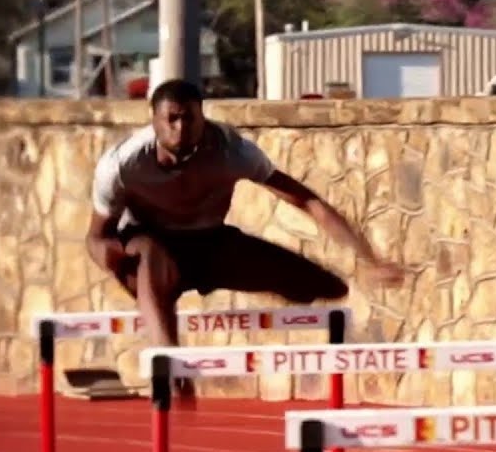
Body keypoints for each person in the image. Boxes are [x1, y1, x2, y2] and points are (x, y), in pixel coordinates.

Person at [86, 78, 404, 397]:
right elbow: (96, 238)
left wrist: (369, 258)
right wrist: (108, 257)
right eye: (172, 119)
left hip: (210, 245)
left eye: (189, 119)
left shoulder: (231, 150)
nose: (181, 129)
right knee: (148, 254)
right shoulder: (122, 165)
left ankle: (178, 345)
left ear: (202, 117)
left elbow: (307, 200)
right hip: (150, 251)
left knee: (328, 287)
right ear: (154, 120)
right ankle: (169, 364)